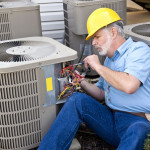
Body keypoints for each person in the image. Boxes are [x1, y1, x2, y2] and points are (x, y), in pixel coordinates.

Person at [38, 8, 150, 150]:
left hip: (137, 121)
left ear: (113, 33)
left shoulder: (138, 50)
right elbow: (101, 94)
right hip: (111, 119)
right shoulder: (109, 62)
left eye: (97, 37)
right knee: (77, 100)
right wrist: (81, 82)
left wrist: (97, 67)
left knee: (139, 130)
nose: (93, 43)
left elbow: (130, 85)